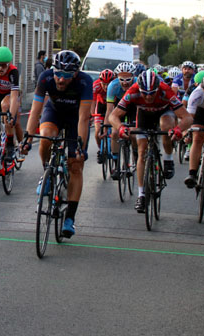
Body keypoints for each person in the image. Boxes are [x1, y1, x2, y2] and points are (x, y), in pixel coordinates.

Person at [21, 50, 92, 238]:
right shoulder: (45, 78)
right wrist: (27, 138)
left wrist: (81, 147)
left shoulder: (85, 82)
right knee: (45, 137)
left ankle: (69, 218)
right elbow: (35, 111)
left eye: (66, 76)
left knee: (75, 165)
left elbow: (84, 118)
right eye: (58, 74)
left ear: (75, 74)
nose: (60, 79)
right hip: (53, 112)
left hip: (75, 119)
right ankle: (47, 173)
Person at [109, 69, 192, 213]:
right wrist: (121, 128)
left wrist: (178, 129)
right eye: (144, 93)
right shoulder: (133, 91)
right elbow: (113, 116)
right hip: (144, 115)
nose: (148, 97)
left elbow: (188, 117)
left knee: (166, 126)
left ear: (157, 88)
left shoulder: (166, 90)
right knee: (142, 152)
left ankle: (168, 159)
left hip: (163, 112)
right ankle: (141, 195)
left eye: (152, 93)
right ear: (139, 88)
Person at [104, 61, 137, 180]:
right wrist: (106, 126)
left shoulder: (138, 84)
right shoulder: (113, 86)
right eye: (121, 79)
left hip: (134, 106)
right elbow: (109, 110)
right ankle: (116, 164)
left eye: (128, 79)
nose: (124, 82)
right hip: (119, 106)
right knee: (114, 133)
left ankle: (135, 154)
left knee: (133, 133)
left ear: (133, 77)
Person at [93, 69, 115, 164]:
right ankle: (100, 150)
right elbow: (92, 103)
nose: (106, 87)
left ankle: (114, 150)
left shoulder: (115, 86)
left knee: (114, 131)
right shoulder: (96, 85)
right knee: (97, 132)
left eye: (108, 84)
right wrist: (91, 114)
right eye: (104, 84)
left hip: (112, 105)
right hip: (101, 106)